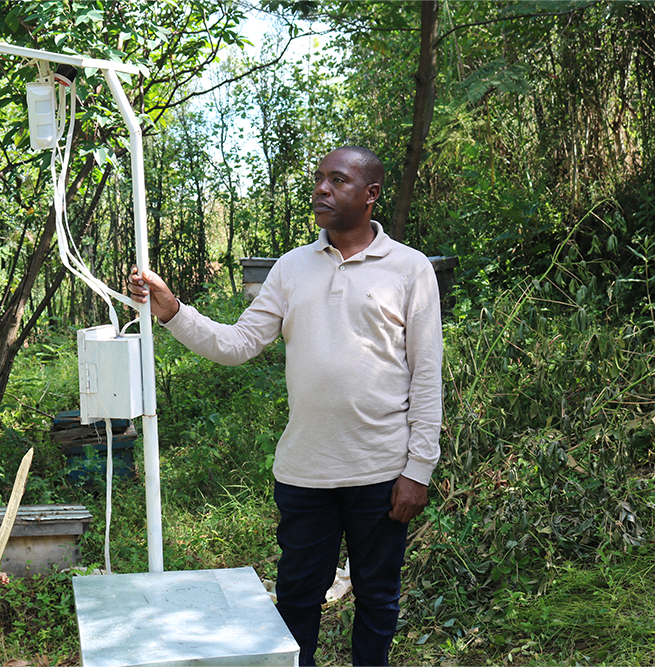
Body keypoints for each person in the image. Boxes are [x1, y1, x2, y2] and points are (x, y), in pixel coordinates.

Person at [128, 146, 443, 666]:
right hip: (306, 473)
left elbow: (427, 376)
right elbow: (237, 344)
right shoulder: (291, 268)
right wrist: (173, 311)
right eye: (320, 179)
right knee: (297, 598)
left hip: (382, 472)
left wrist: (419, 469)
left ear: (371, 195)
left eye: (338, 180)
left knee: (378, 596)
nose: (322, 189)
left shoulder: (409, 270)